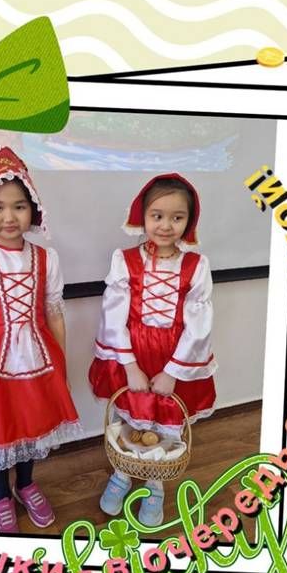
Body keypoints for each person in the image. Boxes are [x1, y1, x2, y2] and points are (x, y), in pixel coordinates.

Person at [0, 147, 81, 534]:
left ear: (32, 210)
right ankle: (0, 495)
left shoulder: (47, 258)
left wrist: (62, 367)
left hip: (39, 359)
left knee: (31, 424)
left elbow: (54, 314)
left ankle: (25, 484)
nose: (9, 217)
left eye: (19, 206)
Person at [89, 173, 217, 527]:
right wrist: (129, 365)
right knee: (130, 418)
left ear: (189, 221)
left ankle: (155, 485)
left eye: (177, 217)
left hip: (173, 358)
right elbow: (113, 315)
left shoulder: (197, 266)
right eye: (157, 216)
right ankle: (122, 474)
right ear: (142, 216)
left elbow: (199, 324)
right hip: (132, 354)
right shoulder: (124, 260)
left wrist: (173, 371)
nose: (165, 225)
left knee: (165, 422)